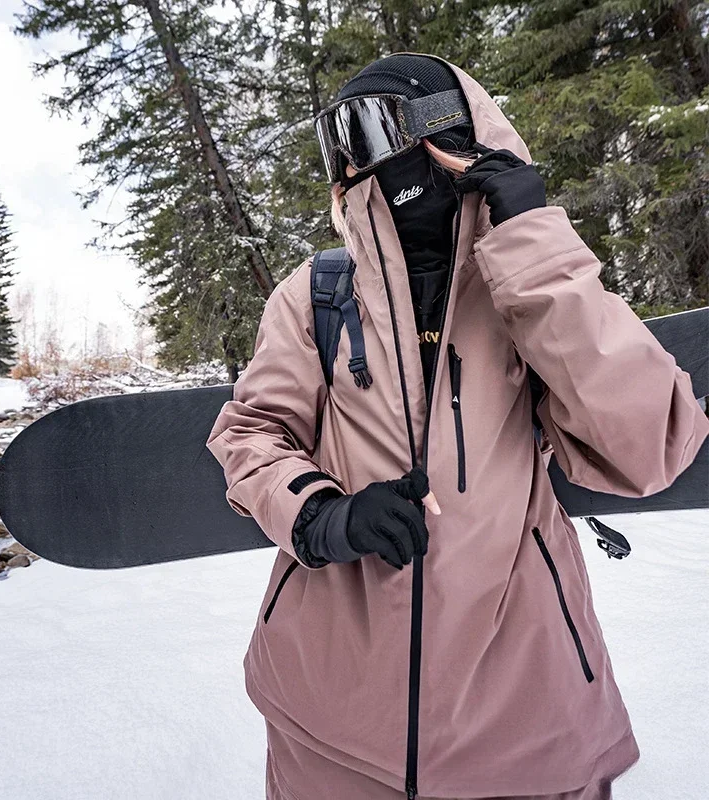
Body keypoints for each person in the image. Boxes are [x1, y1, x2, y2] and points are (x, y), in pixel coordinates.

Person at [205, 52, 709, 800]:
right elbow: (250, 431)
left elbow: (645, 449)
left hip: (527, 719)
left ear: (450, 134)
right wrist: (321, 514)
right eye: (339, 142)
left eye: (373, 132)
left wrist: (535, 243)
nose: (354, 166)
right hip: (329, 720)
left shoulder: (533, 282)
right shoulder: (316, 292)